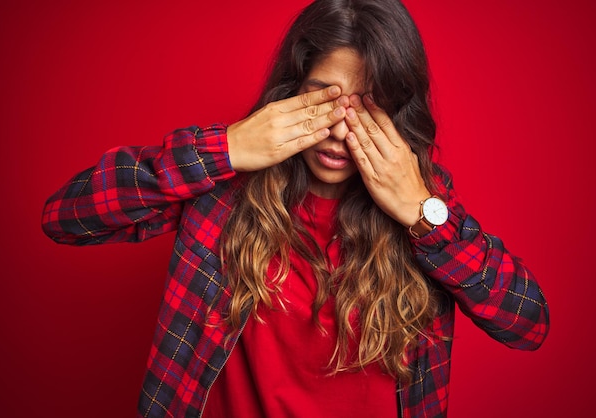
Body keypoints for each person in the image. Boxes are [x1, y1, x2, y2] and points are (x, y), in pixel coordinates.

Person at [41, 0, 549, 417]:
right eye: (322, 100)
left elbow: (528, 325)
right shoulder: (222, 192)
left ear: (398, 115)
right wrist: (227, 149)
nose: (339, 130)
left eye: (368, 109)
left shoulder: (425, 206)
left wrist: (422, 210)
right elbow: (66, 217)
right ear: (291, 94)